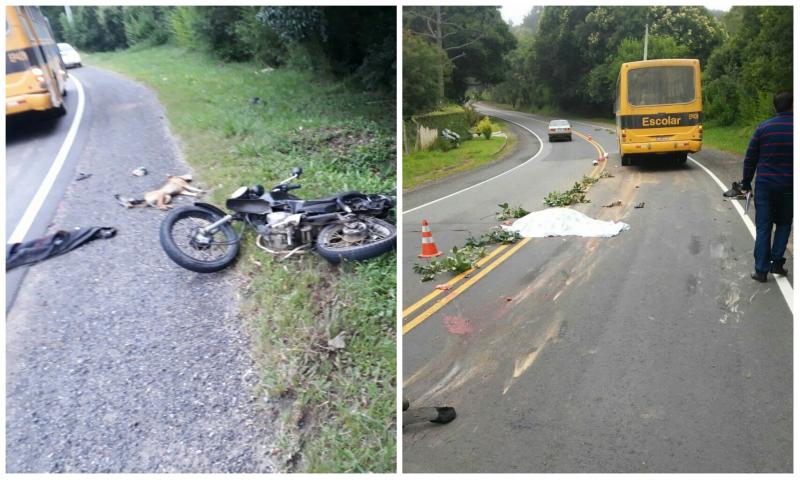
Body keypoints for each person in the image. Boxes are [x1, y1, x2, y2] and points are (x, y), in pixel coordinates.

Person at [740, 91, 793, 282]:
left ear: (775, 107)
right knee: (784, 224)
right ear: (793, 105)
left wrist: (746, 183)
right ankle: (777, 263)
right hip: (789, 187)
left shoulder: (763, 128)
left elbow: (750, 159)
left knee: (763, 227)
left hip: (765, 187)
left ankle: (761, 271)